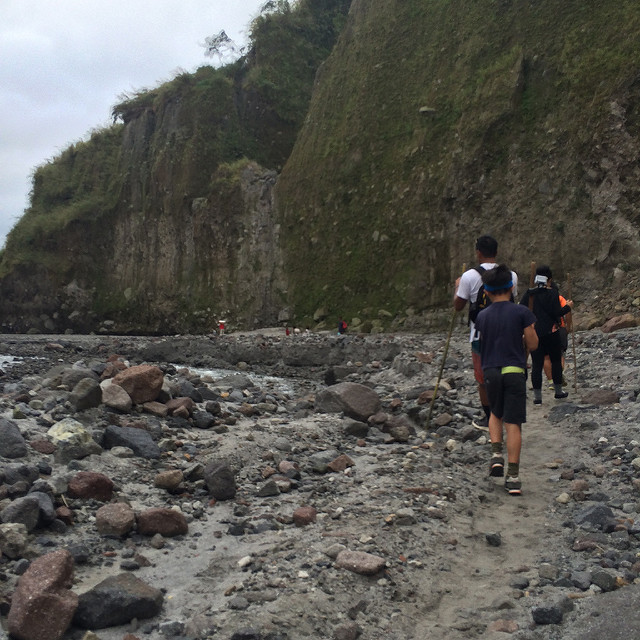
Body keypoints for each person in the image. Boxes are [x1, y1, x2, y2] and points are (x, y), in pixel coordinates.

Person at [474, 264, 538, 496]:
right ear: (511, 288)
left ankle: (496, 454)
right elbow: (533, 344)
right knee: (513, 423)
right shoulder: (521, 313)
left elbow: (481, 345)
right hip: (514, 371)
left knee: (495, 413)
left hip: (491, 370)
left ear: (487, 292)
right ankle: (513, 477)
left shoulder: (482, 316)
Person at [454, 235, 518, 427]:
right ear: (496, 252)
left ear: (478, 252)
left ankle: (489, 416)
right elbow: (511, 299)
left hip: (479, 334)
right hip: (508, 332)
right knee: (506, 371)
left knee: (483, 379)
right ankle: (507, 412)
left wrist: (457, 287)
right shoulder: (511, 275)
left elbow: (458, 306)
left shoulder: (469, 277)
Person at [519, 266, 573, 404]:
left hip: (535, 333)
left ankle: (537, 397)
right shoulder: (552, 294)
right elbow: (557, 313)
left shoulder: (529, 294)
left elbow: (522, 309)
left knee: (536, 364)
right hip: (551, 332)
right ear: (549, 280)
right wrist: (568, 307)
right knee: (555, 361)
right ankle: (558, 391)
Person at [544, 286, 570, 387]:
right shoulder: (559, 298)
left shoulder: (539, 298)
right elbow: (567, 312)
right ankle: (558, 376)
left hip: (544, 329)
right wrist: (568, 325)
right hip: (560, 327)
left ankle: (551, 382)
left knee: (546, 357)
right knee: (560, 354)